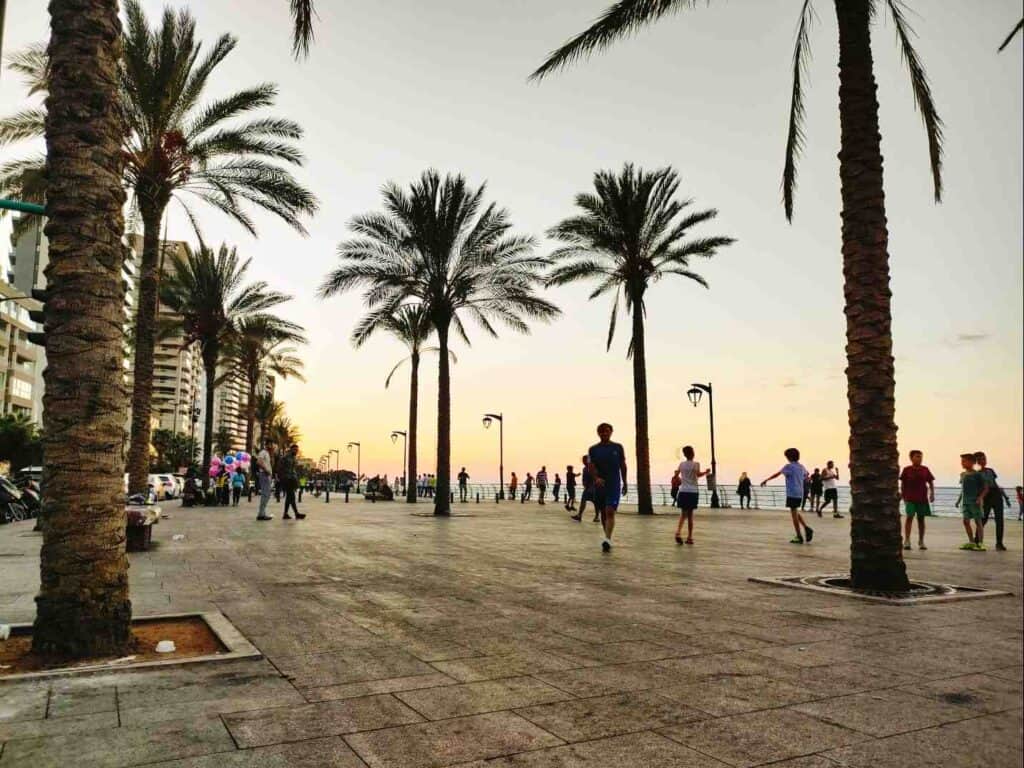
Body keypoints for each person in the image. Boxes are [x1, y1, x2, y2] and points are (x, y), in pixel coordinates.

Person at [761, 448, 814, 544]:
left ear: (789, 457)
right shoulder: (801, 466)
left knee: (793, 515)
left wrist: (766, 480)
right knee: (795, 511)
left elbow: (777, 474)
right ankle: (806, 528)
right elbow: (807, 476)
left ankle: (799, 536)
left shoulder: (788, 466)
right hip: (800, 492)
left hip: (792, 493)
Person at [589, 424, 627, 552]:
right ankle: (607, 537)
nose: (604, 434)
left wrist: (625, 482)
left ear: (611, 432)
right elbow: (591, 466)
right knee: (603, 513)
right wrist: (596, 478)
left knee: (610, 511)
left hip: (614, 484)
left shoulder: (618, 447)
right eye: (601, 432)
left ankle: (607, 538)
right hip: (600, 485)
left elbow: (623, 465)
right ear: (598, 433)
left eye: (606, 432)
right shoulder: (593, 449)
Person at [975, 451, 1011, 551]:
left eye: (984, 458)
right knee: (983, 519)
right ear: (977, 461)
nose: (983, 461)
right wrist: (979, 498)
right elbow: (978, 488)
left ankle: (999, 543)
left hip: (996, 495)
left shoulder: (991, 470)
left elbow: (995, 484)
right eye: (981, 459)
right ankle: (977, 540)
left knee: (999, 520)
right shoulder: (977, 474)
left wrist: (1006, 497)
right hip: (986, 496)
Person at [899, 450, 935, 550]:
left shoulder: (925, 469)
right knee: (909, 517)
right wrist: (902, 495)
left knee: (921, 519)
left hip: (922, 498)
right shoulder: (907, 469)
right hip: (910, 497)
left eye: (920, 456)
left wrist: (932, 494)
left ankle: (921, 541)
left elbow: (930, 482)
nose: (919, 458)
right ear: (911, 458)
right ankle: (907, 540)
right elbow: (903, 484)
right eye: (917, 456)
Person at [675, 445, 709, 545]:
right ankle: (689, 537)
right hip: (693, 491)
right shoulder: (696, 464)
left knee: (683, 514)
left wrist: (681, 479)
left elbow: (677, 476)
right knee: (690, 515)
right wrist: (706, 472)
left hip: (683, 491)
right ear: (692, 453)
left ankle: (678, 532)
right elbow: (698, 475)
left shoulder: (681, 464)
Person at [955, 453, 987, 550]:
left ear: (972, 462)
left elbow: (985, 488)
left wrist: (980, 498)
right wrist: (958, 500)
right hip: (965, 502)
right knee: (965, 521)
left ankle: (981, 543)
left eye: (964, 461)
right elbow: (963, 489)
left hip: (975, 502)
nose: (962, 463)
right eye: (962, 461)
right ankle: (971, 542)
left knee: (978, 522)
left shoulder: (977, 475)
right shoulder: (963, 474)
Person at [279, 443, 305, 520]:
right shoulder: (286, 457)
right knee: (291, 497)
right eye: (295, 450)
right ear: (291, 449)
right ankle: (296, 513)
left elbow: (293, 470)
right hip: (287, 479)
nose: (296, 451)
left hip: (291, 479)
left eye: (297, 450)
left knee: (289, 497)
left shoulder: (293, 458)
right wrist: (282, 478)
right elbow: (281, 468)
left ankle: (286, 514)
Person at [256, 439, 275, 521]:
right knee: (266, 494)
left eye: (272, 445)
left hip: (267, 475)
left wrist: (272, 454)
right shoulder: (263, 452)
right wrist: (266, 470)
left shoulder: (268, 454)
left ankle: (262, 513)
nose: (271, 446)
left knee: (267, 494)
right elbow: (259, 462)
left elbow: (272, 464)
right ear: (266, 445)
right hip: (264, 474)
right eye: (270, 445)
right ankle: (261, 514)